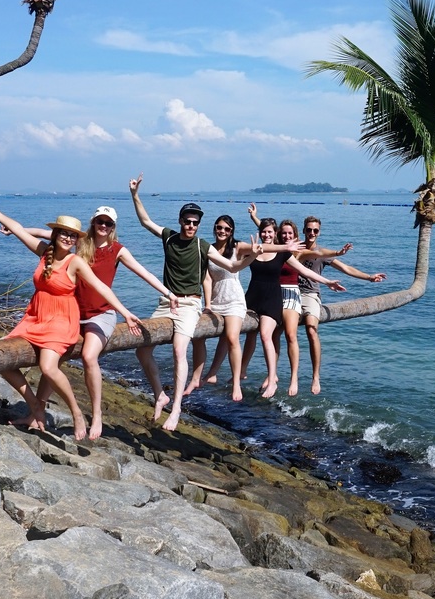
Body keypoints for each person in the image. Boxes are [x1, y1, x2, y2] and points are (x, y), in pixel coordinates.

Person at [6, 205, 178, 439]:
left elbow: (143, 272)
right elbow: (47, 234)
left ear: (113, 227)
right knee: (57, 357)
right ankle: (38, 411)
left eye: (108, 224)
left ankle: (96, 415)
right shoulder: (79, 243)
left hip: (101, 314)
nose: (104, 227)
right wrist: (15, 228)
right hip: (73, 314)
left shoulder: (117, 250)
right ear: (93, 223)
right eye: (100, 222)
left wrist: (168, 294)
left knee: (88, 356)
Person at [0, 196, 143, 440]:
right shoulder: (43, 252)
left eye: (72, 236)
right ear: (55, 235)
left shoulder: (75, 261)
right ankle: (36, 405)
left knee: (48, 367)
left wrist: (126, 313)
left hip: (62, 319)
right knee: (0, 355)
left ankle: (77, 413)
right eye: (64, 234)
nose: (68, 239)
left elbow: (102, 288)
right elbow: (17, 229)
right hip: (35, 317)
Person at [128, 173, 258, 430]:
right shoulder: (169, 237)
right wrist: (134, 194)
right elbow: (145, 221)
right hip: (166, 303)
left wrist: (252, 256)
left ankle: (176, 409)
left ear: (199, 225)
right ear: (180, 221)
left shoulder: (202, 245)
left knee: (179, 351)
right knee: (141, 350)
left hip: (189, 305)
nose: (191, 226)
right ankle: (160, 394)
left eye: (195, 223)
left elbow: (232, 265)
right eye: (187, 221)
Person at [185, 211, 299, 401]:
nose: (222, 231)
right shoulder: (209, 249)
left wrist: (285, 246)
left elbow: (263, 245)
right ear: (214, 229)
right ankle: (210, 374)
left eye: (227, 229)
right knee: (221, 337)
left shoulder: (238, 247)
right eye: (219, 227)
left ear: (231, 232)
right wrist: (208, 304)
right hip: (230, 299)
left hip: (240, 299)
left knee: (236, 337)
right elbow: (206, 278)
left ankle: (257, 380)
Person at [240, 215, 345, 399]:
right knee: (269, 334)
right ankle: (257, 373)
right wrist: (255, 217)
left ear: (295, 235)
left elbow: (311, 262)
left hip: (289, 294)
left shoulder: (291, 251)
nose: (286, 236)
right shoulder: (266, 247)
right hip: (268, 295)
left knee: (289, 334)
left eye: (290, 233)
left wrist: (329, 279)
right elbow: (266, 231)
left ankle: (293, 377)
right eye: (284, 233)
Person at [297, 215, 387, 395]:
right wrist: (254, 218)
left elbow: (346, 268)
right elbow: (271, 236)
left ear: (319, 232)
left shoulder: (323, 253)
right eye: (309, 230)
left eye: (315, 230)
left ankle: (315, 376)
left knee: (311, 329)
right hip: (291, 292)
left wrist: (369, 277)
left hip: (310, 295)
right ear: (303, 231)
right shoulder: (294, 248)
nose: (312, 233)